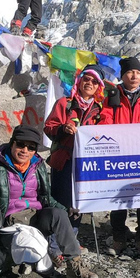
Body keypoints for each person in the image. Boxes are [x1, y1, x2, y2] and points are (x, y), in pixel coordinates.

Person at [0, 124, 99, 278]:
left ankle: (74, 265)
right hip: (7, 226)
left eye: (31, 148)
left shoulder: (37, 166)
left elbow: (46, 198)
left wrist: (66, 209)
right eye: (21, 144)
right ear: (12, 143)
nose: (25, 150)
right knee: (29, 243)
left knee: (59, 214)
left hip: (33, 219)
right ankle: (49, 272)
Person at [100, 57, 140, 257]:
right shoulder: (112, 96)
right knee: (119, 197)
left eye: (136, 72)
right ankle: (119, 237)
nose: (133, 76)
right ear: (122, 75)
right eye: (129, 72)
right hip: (119, 155)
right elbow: (105, 120)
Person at [44, 64, 106, 232]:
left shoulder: (100, 111)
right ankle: (56, 240)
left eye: (95, 81)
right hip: (63, 160)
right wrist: (62, 128)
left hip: (86, 164)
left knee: (80, 201)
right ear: (79, 81)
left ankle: (72, 239)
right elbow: (49, 127)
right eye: (86, 79)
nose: (90, 83)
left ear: (98, 87)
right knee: (60, 200)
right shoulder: (65, 103)